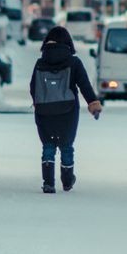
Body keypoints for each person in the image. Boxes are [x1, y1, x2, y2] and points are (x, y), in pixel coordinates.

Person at [30, 24, 101, 194]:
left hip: (44, 111)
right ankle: (67, 181)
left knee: (48, 145)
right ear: (68, 42)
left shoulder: (40, 63)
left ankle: (48, 183)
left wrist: (39, 102)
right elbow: (84, 85)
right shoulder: (73, 62)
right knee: (66, 145)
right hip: (68, 111)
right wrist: (93, 104)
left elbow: (33, 87)